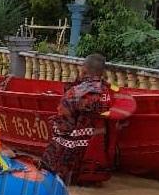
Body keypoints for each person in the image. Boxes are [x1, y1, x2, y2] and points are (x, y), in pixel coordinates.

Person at [40, 54, 113, 184]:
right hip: (96, 154)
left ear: (84, 70)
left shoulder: (75, 93)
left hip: (72, 158)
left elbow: (63, 125)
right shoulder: (108, 90)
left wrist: (53, 123)